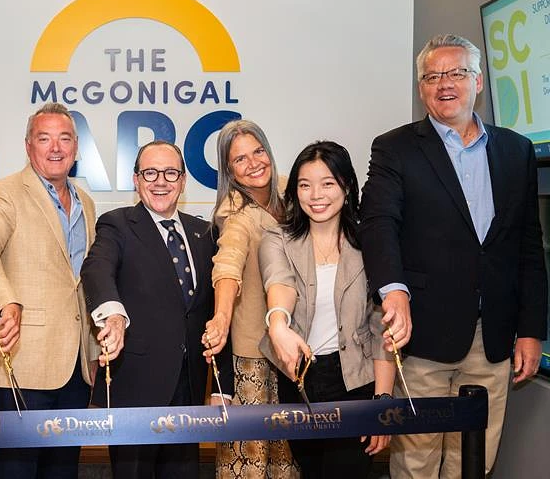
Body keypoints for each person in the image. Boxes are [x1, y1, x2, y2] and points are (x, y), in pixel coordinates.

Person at [359, 34, 548, 478]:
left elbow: (528, 246)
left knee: (474, 458)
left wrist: (532, 330)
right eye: (432, 76)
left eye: (457, 72)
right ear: (421, 88)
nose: (445, 83)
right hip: (423, 334)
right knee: (417, 459)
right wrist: (394, 290)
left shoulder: (516, 150)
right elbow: (378, 222)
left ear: (478, 81)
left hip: (496, 336)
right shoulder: (395, 148)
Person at [0, 102, 99, 479]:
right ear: (28, 146)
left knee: (63, 470)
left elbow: (79, 281)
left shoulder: (85, 202)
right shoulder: (3, 193)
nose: (55, 147)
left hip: (76, 367)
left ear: (76, 148)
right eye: (44, 138)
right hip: (21, 359)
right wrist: (5, 302)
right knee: (18, 472)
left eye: (64, 138)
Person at [80, 140, 233, 479]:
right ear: (136, 179)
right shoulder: (117, 225)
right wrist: (114, 315)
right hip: (136, 389)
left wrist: (222, 387)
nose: (160, 181)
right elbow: (96, 269)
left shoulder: (203, 233)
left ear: (182, 181)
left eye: (170, 173)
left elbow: (216, 312)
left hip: (191, 388)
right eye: (150, 172)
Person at [259, 141, 395, 479]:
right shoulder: (277, 239)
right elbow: (280, 283)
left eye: (327, 183)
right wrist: (279, 325)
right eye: (305, 185)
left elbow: (381, 326)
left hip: (355, 379)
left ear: (347, 187)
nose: (316, 194)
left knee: (347, 471)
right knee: (311, 470)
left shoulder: (370, 243)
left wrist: (382, 400)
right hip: (300, 379)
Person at [208, 120, 298, 479]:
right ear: (228, 171)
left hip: (297, 346)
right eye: (239, 160)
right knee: (250, 460)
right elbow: (227, 266)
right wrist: (221, 318)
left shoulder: (294, 194)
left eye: (257, 151)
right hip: (253, 358)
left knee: (290, 456)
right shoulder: (234, 215)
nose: (253, 163)